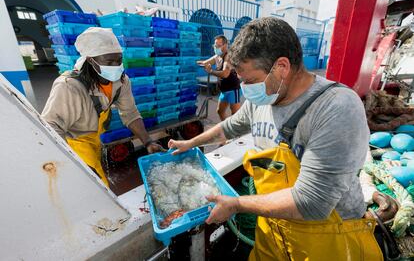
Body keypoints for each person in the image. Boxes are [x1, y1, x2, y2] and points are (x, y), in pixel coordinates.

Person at [169, 18, 383, 260]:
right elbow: (229, 127)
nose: (245, 88)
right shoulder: (264, 97)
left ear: (282, 67)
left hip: (326, 238)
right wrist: (190, 143)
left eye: (249, 81)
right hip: (272, 228)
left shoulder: (336, 108)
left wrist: (238, 204)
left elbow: (311, 203)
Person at [42, 27, 163, 187]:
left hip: (96, 138)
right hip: (76, 142)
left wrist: (148, 142)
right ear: (91, 60)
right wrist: (69, 163)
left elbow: (130, 113)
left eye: (118, 60)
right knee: (97, 186)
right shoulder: (69, 87)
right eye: (109, 61)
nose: (115, 66)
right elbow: (49, 127)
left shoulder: (121, 81)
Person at [197, 35, 241, 121]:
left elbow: (225, 74)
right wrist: (188, 61)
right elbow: (205, 62)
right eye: (215, 46)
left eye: (218, 46)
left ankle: (236, 132)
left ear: (225, 45)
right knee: (220, 111)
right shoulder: (217, 57)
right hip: (224, 90)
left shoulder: (228, 57)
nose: (216, 48)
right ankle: (227, 128)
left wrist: (211, 71)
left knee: (235, 115)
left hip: (233, 89)